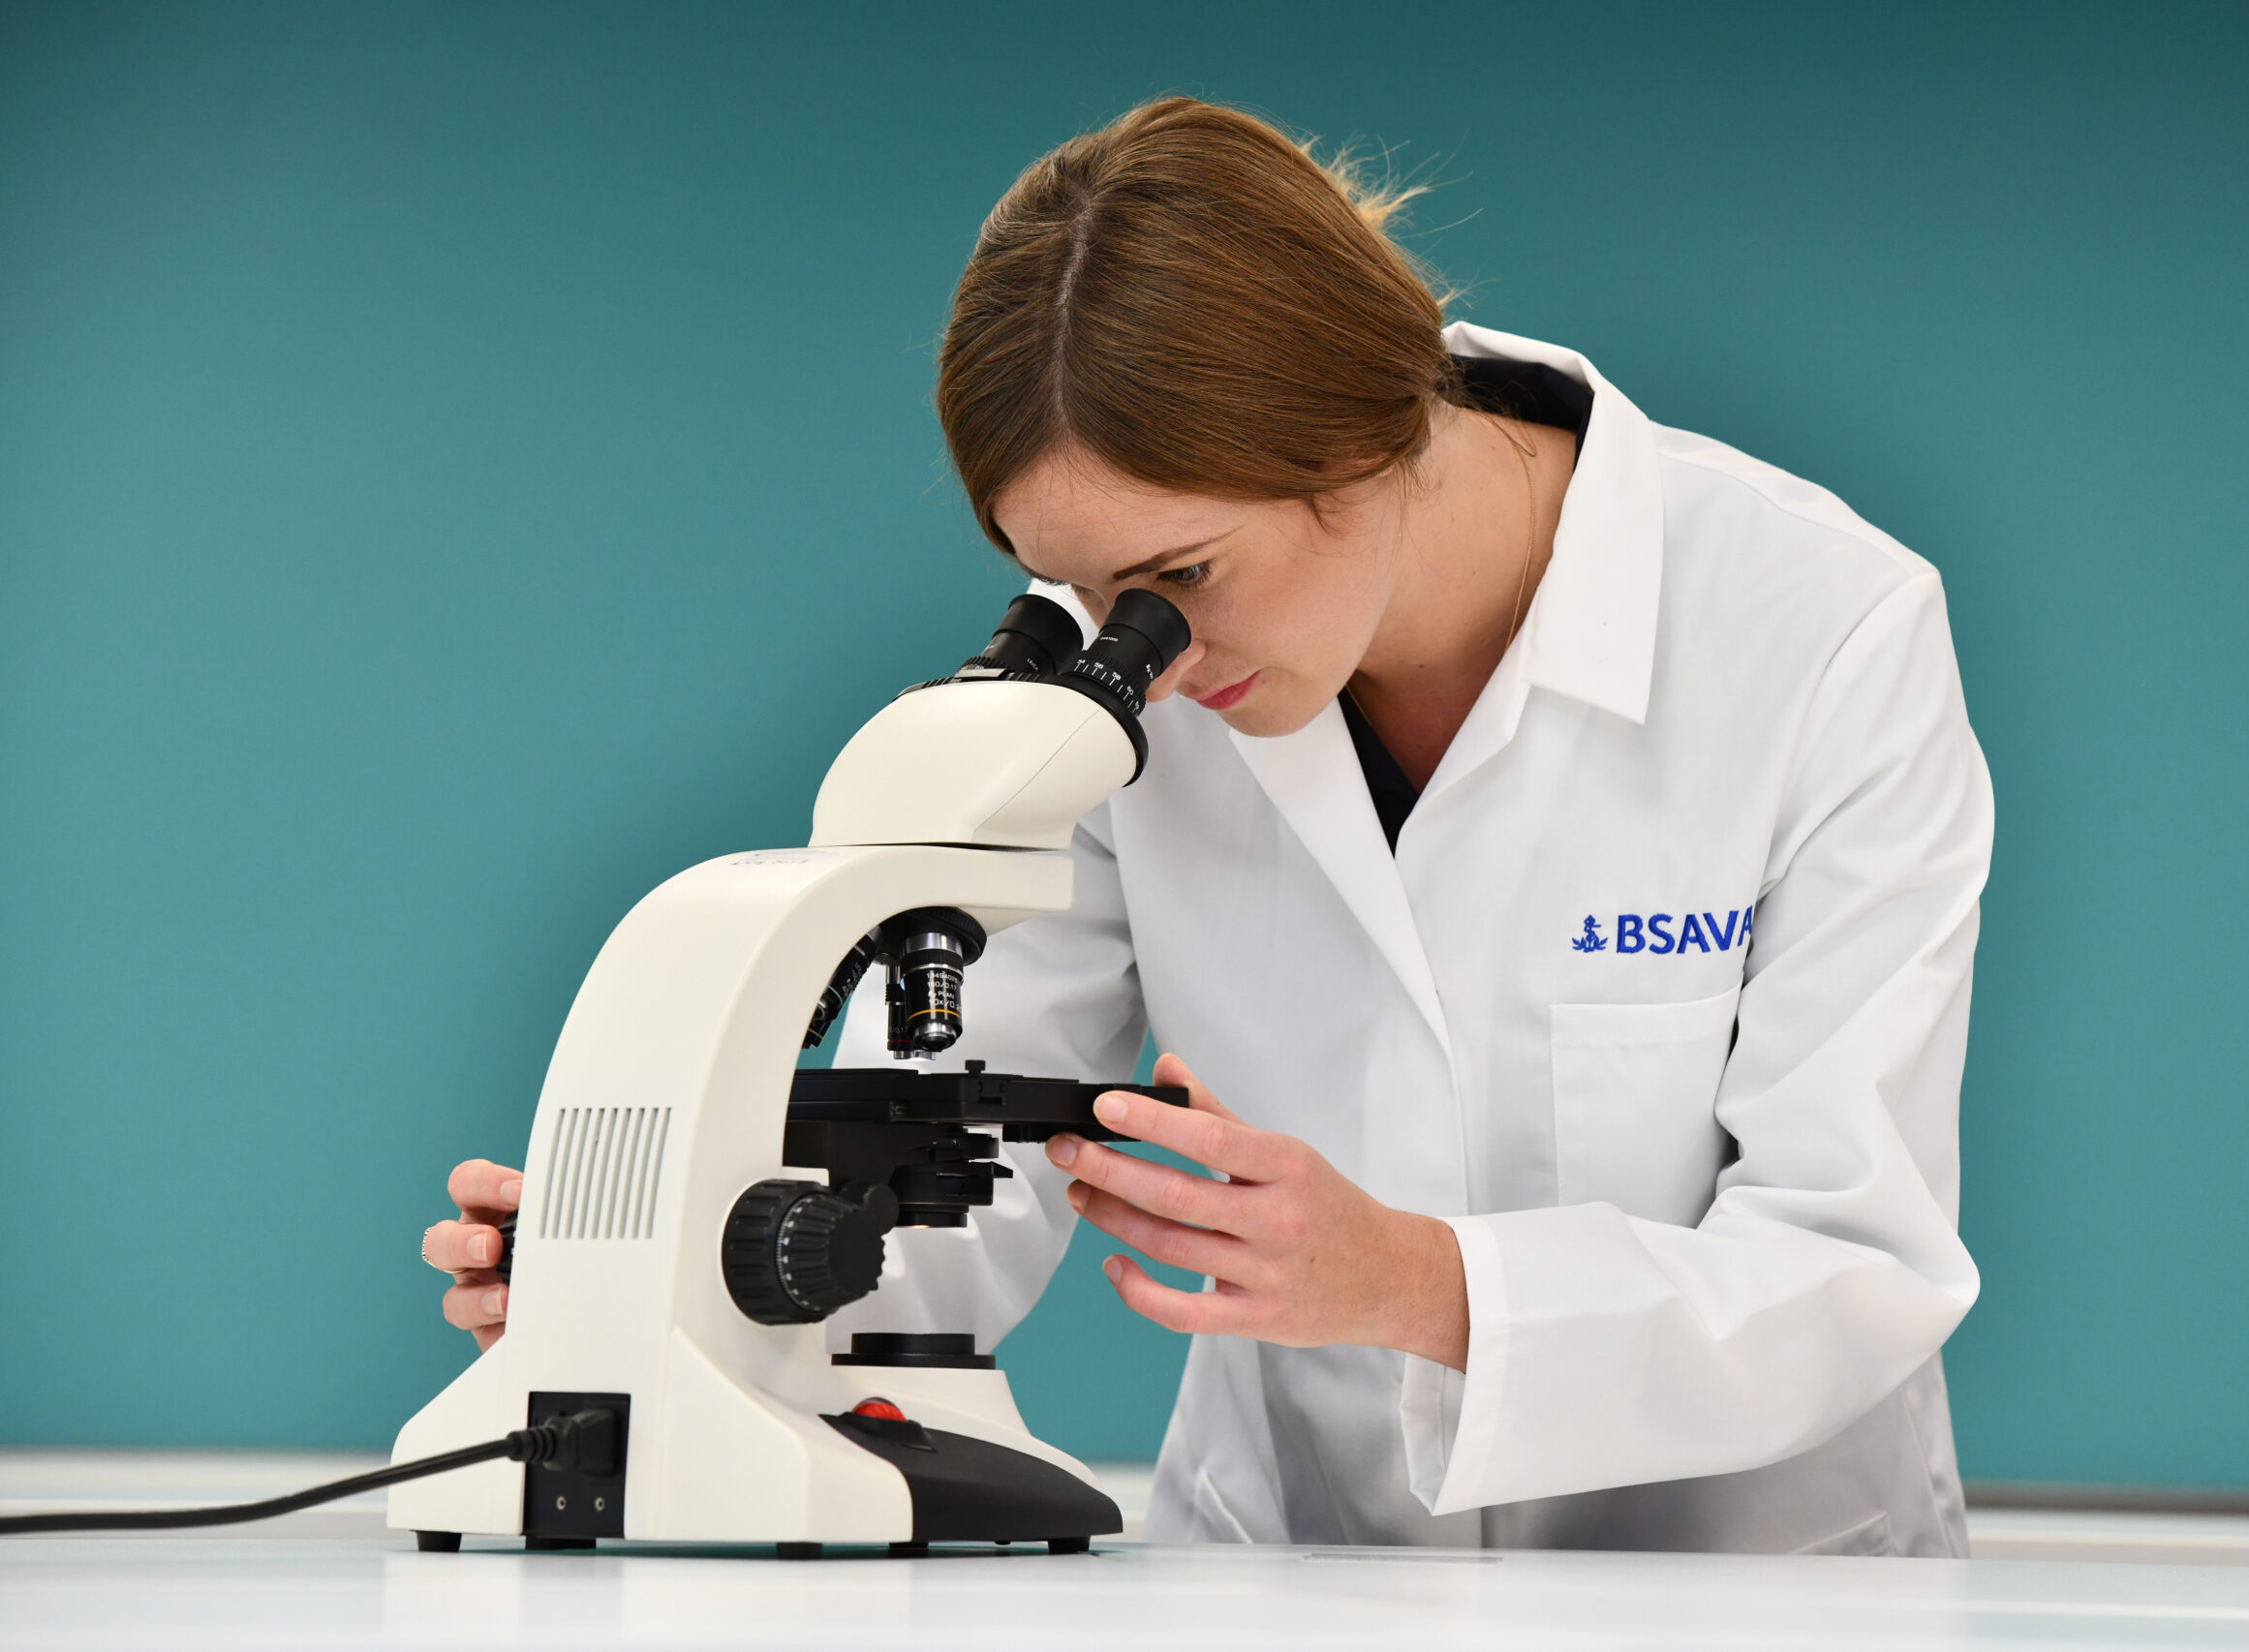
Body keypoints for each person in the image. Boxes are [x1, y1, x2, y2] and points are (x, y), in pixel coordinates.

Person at [421, 97, 1991, 1556]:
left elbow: (1854, 1260)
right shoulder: (1137, 697)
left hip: (1757, 1591)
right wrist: (665, 1271)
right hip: (1291, 1574)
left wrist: (1411, 1280)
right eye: (1085, 595)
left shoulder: (1823, 630)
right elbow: (965, 1161)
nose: (1138, 652)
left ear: (1370, 435)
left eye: (1180, 577)